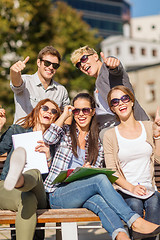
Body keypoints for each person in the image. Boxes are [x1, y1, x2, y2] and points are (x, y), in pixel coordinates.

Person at [42, 92, 160, 240]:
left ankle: (122, 236)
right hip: (57, 194)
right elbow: (47, 138)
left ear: (92, 112)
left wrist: (86, 171)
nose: (81, 114)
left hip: (82, 194)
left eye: (85, 110)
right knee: (99, 178)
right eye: (76, 111)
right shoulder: (64, 133)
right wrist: (65, 114)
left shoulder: (97, 142)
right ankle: (134, 221)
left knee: (101, 202)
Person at [103, 85, 160, 240]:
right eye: (115, 101)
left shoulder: (148, 127)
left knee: (154, 204)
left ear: (132, 101)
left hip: (150, 188)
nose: (121, 103)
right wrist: (132, 188)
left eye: (124, 98)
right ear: (112, 108)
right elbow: (111, 171)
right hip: (125, 189)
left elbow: (158, 159)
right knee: (134, 205)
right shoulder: (110, 135)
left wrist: (156, 136)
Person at [0, 99, 61, 240]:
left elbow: (55, 179)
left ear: (55, 118)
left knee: (34, 173)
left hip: (39, 190)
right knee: (28, 198)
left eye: (54, 112)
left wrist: (48, 157)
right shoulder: (17, 130)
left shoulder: (55, 142)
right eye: (45, 108)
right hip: (7, 188)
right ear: (37, 110)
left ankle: (19, 178)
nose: (49, 112)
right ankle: (17, 178)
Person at [70, 46, 149, 139]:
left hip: (137, 127)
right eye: (78, 65)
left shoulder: (107, 70)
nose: (82, 65)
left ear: (95, 57)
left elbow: (116, 70)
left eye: (84, 59)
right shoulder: (97, 85)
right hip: (118, 132)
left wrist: (113, 64)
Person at [10, 45, 70, 123]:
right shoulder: (26, 81)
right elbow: (16, 83)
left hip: (48, 135)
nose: (51, 67)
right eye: (47, 63)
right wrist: (14, 72)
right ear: (38, 62)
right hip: (23, 133)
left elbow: (67, 115)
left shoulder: (61, 90)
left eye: (55, 65)